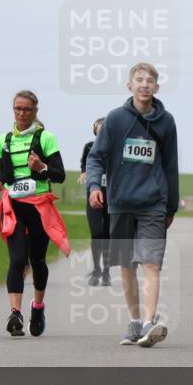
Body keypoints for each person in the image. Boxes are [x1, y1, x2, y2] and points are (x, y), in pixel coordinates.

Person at [86, 62, 178, 348]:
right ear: (129, 85)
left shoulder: (166, 122)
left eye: (150, 80)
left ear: (157, 87)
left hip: (153, 204)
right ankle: (136, 322)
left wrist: (171, 206)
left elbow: (171, 166)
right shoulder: (114, 120)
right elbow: (96, 157)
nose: (144, 84)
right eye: (139, 79)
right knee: (126, 266)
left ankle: (150, 323)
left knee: (151, 263)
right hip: (120, 203)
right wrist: (93, 186)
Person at [0, 90, 69, 338]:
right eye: (17, 109)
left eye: (27, 109)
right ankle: (15, 313)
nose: (22, 113)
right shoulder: (3, 140)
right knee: (16, 260)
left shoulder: (46, 138)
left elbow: (59, 174)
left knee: (37, 260)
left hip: (39, 206)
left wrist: (41, 167)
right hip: (14, 206)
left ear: (35, 111)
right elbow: (5, 175)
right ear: (12, 110)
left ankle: (37, 308)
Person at [79, 117, 110, 286]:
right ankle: (96, 268)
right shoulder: (89, 147)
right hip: (94, 195)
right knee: (97, 233)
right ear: (95, 130)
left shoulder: (116, 147)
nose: (102, 129)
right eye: (99, 127)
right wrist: (84, 173)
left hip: (111, 197)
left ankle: (106, 271)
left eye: (105, 127)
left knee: (107, 234)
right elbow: (85, 163)